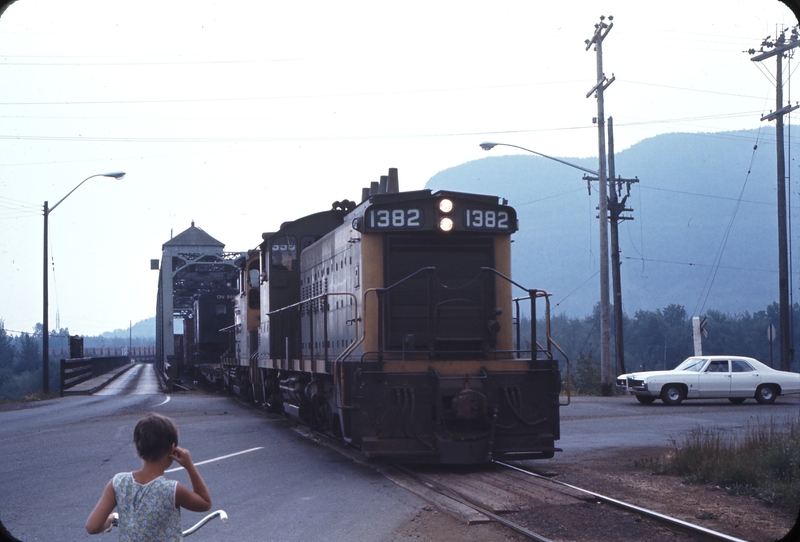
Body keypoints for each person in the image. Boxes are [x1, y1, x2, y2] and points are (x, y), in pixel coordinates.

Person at [85, 413, 212, 540]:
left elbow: (92, 526)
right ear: (172, 448)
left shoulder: (118, 482)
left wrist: (112, 518)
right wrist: (189, 465)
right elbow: (205, 503)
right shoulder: (171, 489)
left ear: (137, 447)